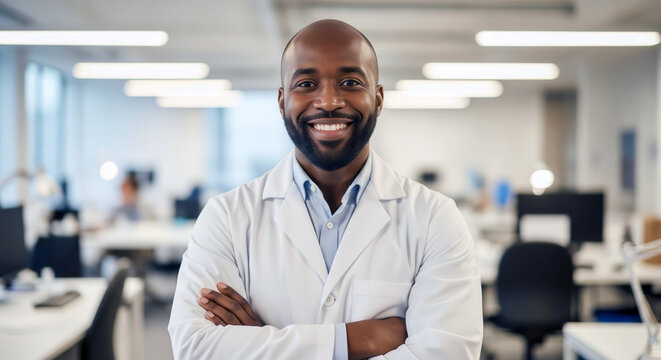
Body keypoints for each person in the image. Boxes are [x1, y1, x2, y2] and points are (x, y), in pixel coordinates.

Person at [168, 19, 483, 359]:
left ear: (378, 99)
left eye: (350, 82)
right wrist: (355, 340)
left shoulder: (434, 217)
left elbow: (447, 353)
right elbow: (195, 348)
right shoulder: (227, 217)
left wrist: (263, 343)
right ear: (281, 100)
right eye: (306, 83)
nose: (329, 101)